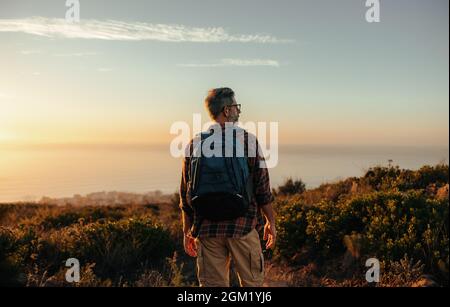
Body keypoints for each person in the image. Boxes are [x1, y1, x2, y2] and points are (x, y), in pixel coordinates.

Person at [179, 87, 276, 287]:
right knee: (252, 285)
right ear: (226, 110)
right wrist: (270, 222)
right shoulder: (247, 140)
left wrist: (187, 231)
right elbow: (262, 188)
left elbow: (185, 193)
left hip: (207, 229)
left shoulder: (195, 143)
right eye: (235, 107)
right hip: (243, 227)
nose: (238, 111)